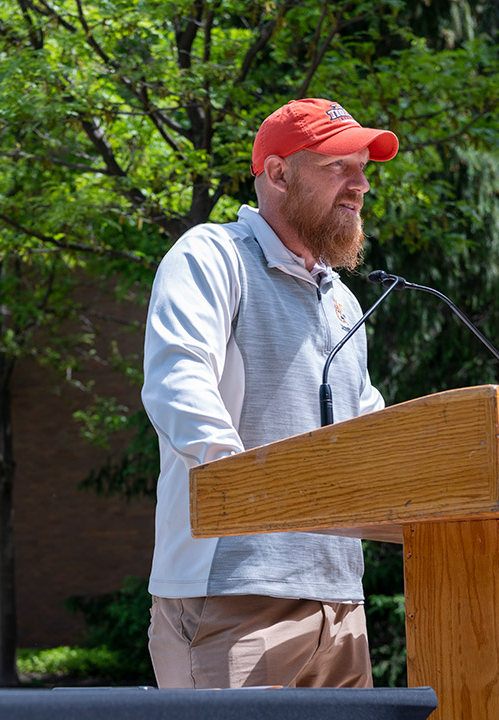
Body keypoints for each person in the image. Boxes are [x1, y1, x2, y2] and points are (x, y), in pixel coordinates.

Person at [141, 98, 399, 689]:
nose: (360, 185)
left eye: (363, 169)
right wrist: (247, 490)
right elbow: (179, 380)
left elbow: (366, 424)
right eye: (339, 166)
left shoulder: (342, 300)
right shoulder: (212, 255)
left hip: (341, 602)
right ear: (278, 174)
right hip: (234, 590)